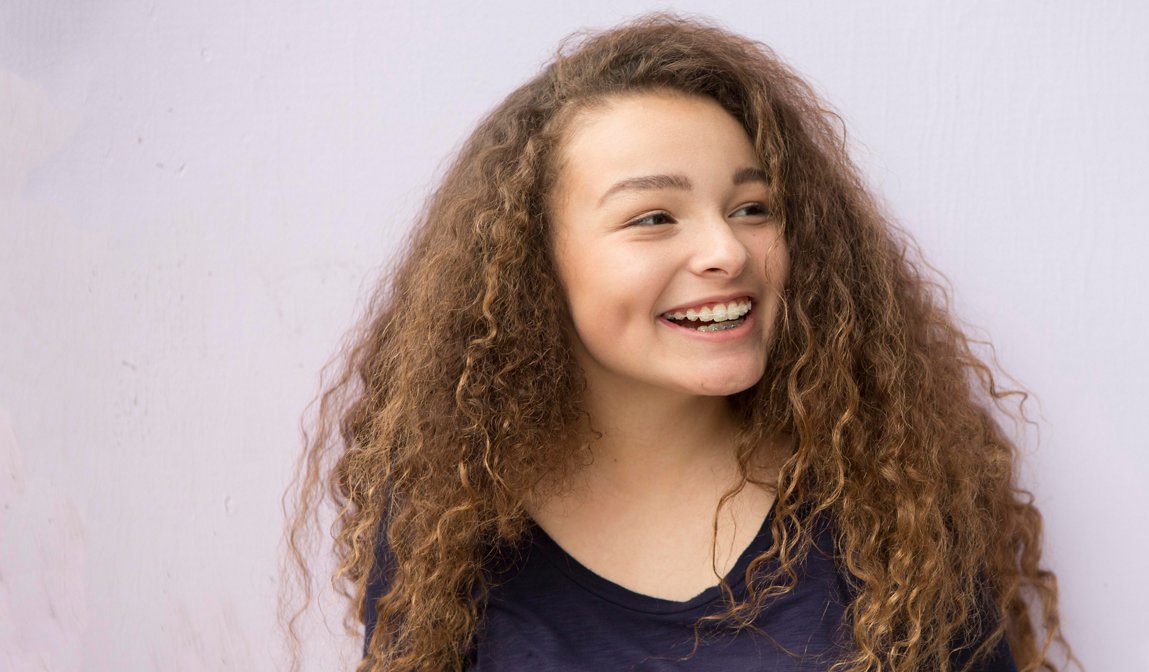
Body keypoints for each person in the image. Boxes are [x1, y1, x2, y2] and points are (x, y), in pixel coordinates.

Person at [282, 12, 1074, 672]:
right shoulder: (446, 518)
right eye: (654, 217)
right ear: (534, 262)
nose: (726, 251)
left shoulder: (889, 496)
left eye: (753, 207)